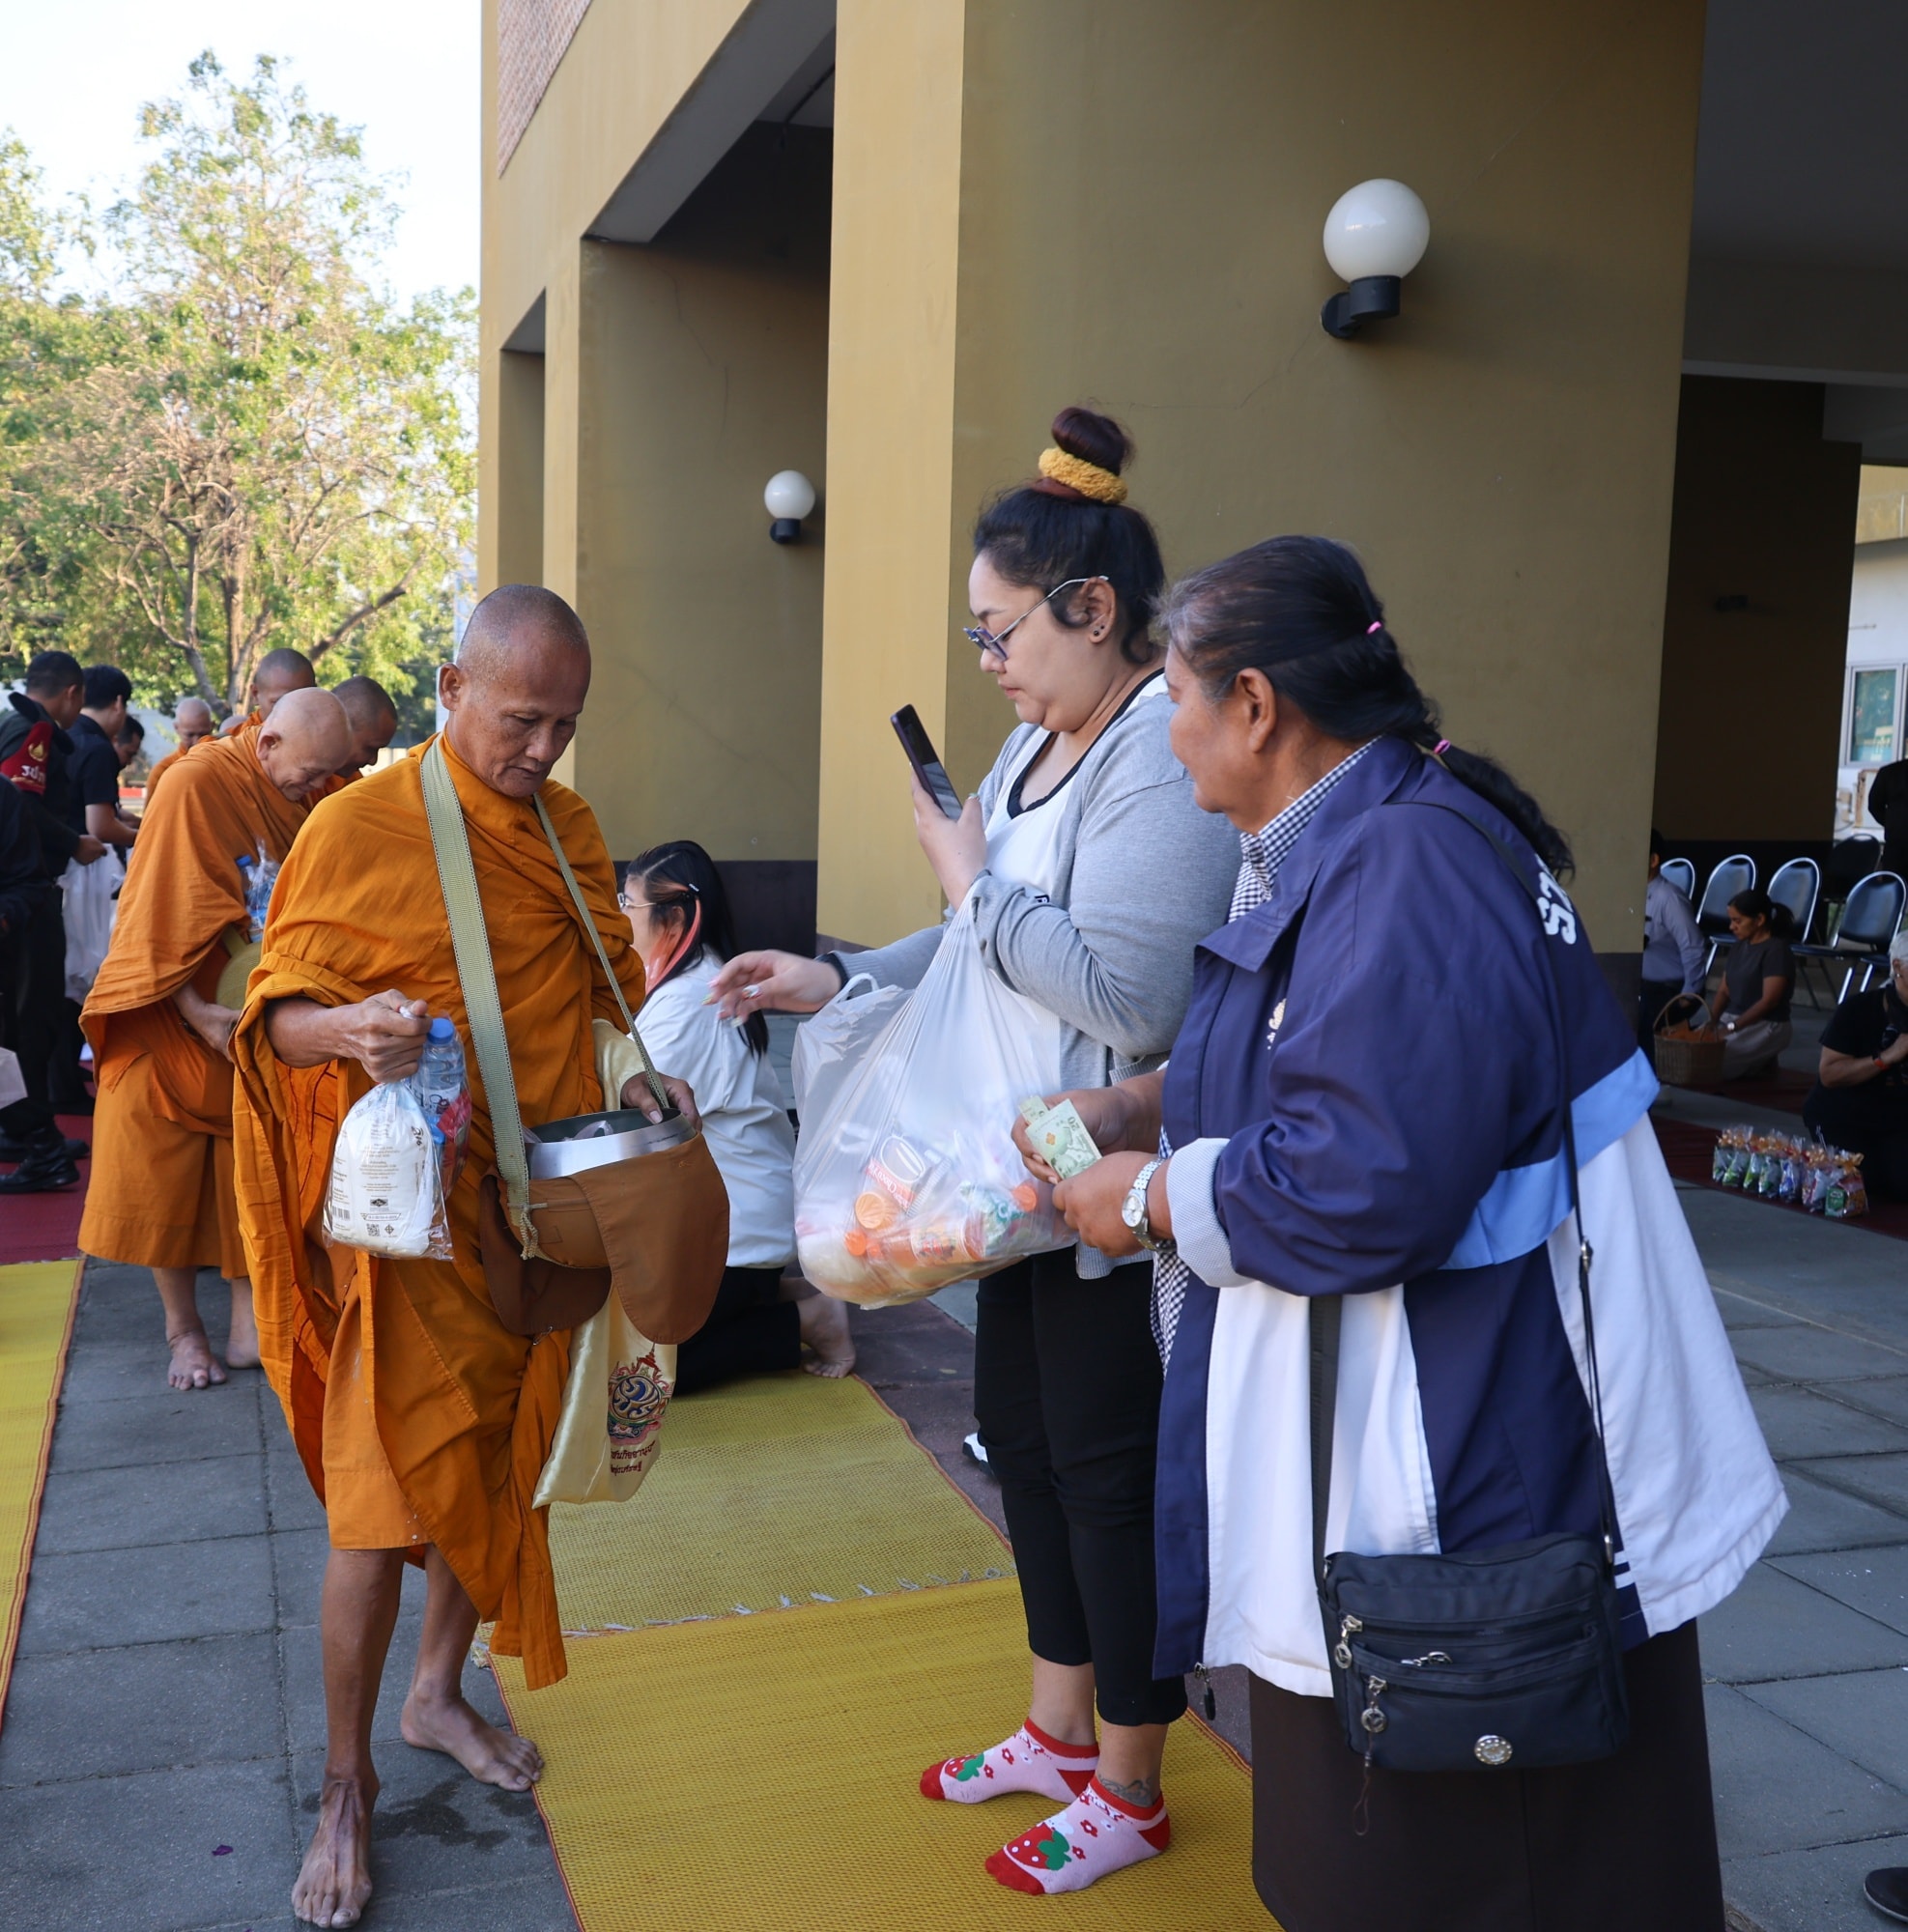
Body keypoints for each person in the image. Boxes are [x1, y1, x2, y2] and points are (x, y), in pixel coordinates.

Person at [1027, 535, 1782, 1932]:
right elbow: (1321, 1059)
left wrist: (1144, 1197)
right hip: (1436, 1429)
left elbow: (1363, 1179)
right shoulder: (1369, 834)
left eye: (1176, 699)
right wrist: (1138, 1102)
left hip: (1477, 1456)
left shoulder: (1404, 862)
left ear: (1257, 705)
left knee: (1470, 1852)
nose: (1167, 732)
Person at [711, 408, 1240, 1897]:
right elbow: (971, 950)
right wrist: (836, 975)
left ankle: (1130, 1783)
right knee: (1020, 1436)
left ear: (1093, 608)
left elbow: (1127, 995)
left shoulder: (1151, 756)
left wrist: (967, 886)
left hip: (1105, 1177)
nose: (988, 661)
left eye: (1001, 630)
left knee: (1104, 1469)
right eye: (977, 634)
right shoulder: (1029, 746)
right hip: (1008, 1177)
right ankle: (1057, 1730)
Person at [230, 584, 699, 1930]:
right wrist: (348, 1032)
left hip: (540, 1227)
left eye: (564, 725)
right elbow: (273, 1016)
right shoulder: (356, 827)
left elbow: (605, 998)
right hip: (410, 1233)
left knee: (501, 1469)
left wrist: (640, 1079)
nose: (541, 749)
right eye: (519, 719)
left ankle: (435, 1694)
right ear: (450, 690)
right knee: (374, 1509)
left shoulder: (568, 831)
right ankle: (344, 1784)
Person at [78, 689, 353, 1388]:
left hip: (248, 1010)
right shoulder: (195, 784)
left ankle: (245, 1325)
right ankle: (183, 1332)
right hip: (168, 1006)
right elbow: (152, 916)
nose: (314, 788)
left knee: (247, 1166)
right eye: (308, 773)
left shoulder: (309, 794)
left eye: (326, 774)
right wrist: (196, 1012)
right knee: (160, 1174)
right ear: (269, 743)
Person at [620, 839, 854, 1389]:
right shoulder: (696, 978)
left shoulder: (690, 1002)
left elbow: (625, 1103)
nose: (618, 917)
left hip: (733, 1237)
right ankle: (776, 1295)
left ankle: (808, 1318)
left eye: (627, 904)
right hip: (729, 1229)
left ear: (674, 919)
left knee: (642, 1372)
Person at [0, 652, 105, 1190]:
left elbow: (17, 804)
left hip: (20, 903)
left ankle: (34, 1137)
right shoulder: (33, 729)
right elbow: (24, 803)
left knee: (25, 1026)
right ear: (72, 693)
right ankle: (33, 1134)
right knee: (26, 1025)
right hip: (28, 897)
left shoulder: (24, 727)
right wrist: (73, 841)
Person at [1803, 930, 1908, 1198]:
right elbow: (1829, 1074)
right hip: (1844, 1114)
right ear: (1898, 967)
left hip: (1897, 1115)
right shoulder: (1859, 1009)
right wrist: (1886, 1058)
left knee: (1901, 1184)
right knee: (1858, 1184)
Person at [1712, 888, 1795, 1080]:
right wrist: (1712, 1021)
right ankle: (1759, 1062)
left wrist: (1731, 1028)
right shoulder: (1739, 946)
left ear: (1759, 920)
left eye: (1737, 921)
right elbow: (1724, 990)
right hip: (1733, 1020)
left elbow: (1769, 1002)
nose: (1732, 927)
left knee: (1709, 1063)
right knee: (1689, 1048)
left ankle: (1759, 1061)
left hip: (1767, 1024)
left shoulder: (1776, 950)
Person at [1639, 829, 1703, 1052]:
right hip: (1640, 982)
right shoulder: (1632, 893)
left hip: (1668, 988)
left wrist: (1690, 993)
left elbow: (1692, 945)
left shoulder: (1669, 898)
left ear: (1653, 860)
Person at [71, 666, 141, 852]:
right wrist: (147, 838)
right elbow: (101, 827)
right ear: (118, 704)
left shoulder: (63, 733)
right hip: (83, 861)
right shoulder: (98, 749)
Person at [144, 696, 218, 800]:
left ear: (212, 726)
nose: (196, 742)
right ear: (176, 728)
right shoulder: (162, 771)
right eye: (190, 735)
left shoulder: (223, 764)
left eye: (203, 734)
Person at [331, 676, 399, 779]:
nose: (373, 761)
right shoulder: (305, 774)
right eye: (370, 749)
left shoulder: (350, 782)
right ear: (338, 730)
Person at [247, 645, 317, 723]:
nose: (292, 714)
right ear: (255, 694)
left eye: (303, 703)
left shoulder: (323, 727)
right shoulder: (245, 730)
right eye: (279, 704)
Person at [1869, 753, 1908, 880]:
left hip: (1896, 842)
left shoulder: (1889, 772)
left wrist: (1892, 823)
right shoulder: (1889, 772)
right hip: (1896, 845)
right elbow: (1874, 805)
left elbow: (1874, 806)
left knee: (1893, 886)